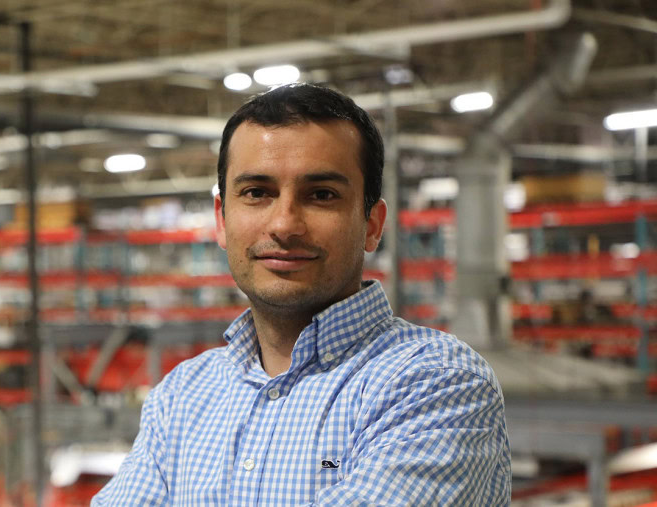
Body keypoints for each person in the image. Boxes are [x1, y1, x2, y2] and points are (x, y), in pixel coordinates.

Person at [92, 83, 510, 505]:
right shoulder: (183, 396)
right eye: (257, 193)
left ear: (372, 225)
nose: (285, 224)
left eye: (321, 195)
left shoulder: (436, 383)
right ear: (221, 220)